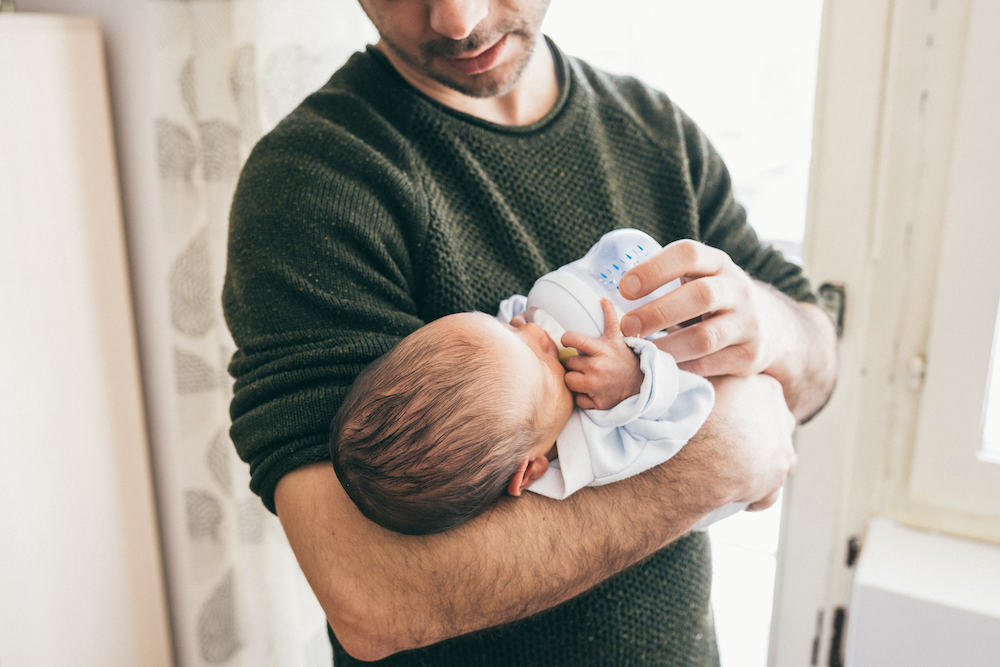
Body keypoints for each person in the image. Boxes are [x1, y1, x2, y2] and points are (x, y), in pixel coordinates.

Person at [222, 1, 839, 664]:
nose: (457, 21)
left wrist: (767, 328)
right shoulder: (316, 182)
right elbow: (372, 597)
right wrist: (722, 455)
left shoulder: (654, 131)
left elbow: (817, 357)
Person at [331, 298, 716, 535]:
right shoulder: (597, 455)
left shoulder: (512, 408)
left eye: (505, 329)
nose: (533, 331)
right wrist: (634, 383)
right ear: (529, 471)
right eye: (541, 357)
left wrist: (521, 319)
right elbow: (691, 407)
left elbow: (518, 325)